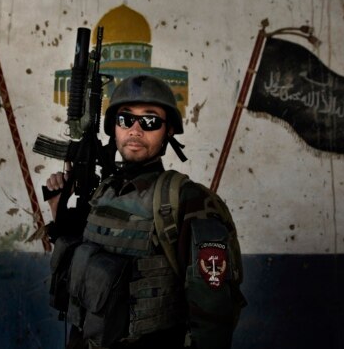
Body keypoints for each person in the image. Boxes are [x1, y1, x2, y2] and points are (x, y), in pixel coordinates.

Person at [45, 75, 245, 349]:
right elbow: (86, 272)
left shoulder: (187, 200)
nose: (135, 130)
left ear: (168, 130)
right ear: (114, 128)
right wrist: (60, 210)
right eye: (125, 120)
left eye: (149, 121)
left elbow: (214, 314)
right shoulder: (104, 192)